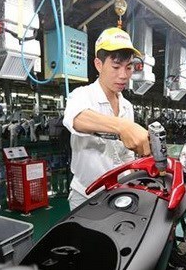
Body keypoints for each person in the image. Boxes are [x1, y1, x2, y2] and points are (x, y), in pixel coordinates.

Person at [63, 27, 150, 210]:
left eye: (128, 68)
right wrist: (122, 126)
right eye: (116, 67)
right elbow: (77, 119)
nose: (123, 75)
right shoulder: (82, 95)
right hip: (86, 195)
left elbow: (126, 153)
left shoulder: (127, 107)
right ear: (99, 64)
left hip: (119, 193)